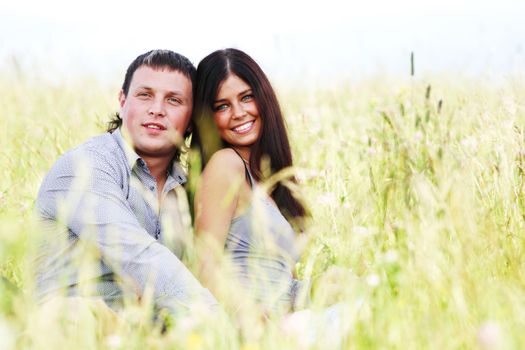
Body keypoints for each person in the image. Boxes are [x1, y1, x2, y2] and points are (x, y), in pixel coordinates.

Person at [34, 49, 218, 318]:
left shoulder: (185, 187)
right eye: (145, 95)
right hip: (78, 329)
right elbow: (137, 256)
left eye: (174, 100)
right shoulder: (85, 167)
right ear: (122, 101)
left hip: (151, 332)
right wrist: (219, 323)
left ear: (191, 120)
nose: (157, 109)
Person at [191, 48, 310, 318]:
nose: (238, 112)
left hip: (286, 319)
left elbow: (281, 285)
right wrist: (254, 322)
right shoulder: (226, 165)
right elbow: (204, 265)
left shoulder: (265, 177)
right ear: (208, 118)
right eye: (222, 106)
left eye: (246, 97)